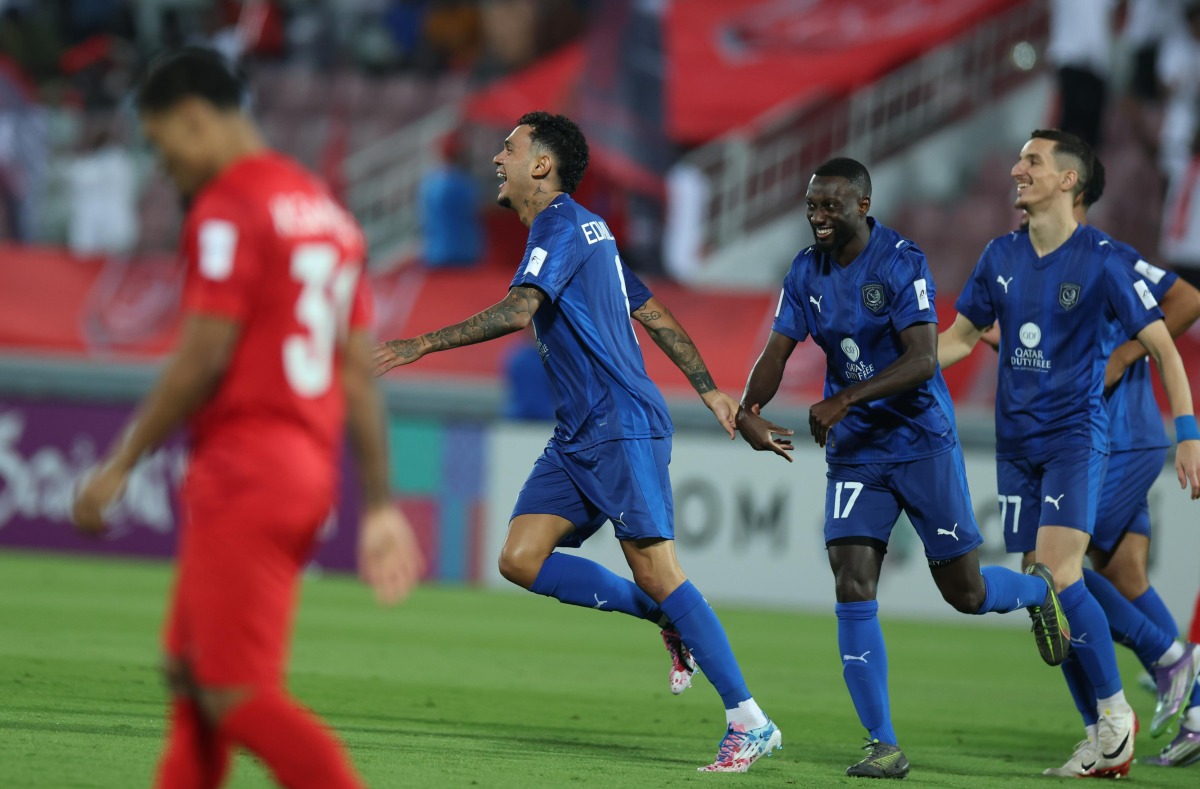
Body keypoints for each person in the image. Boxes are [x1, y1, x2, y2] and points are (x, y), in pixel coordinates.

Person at [373, 110, 781, 773]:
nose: (497, 159)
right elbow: (649, 309)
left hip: (619, 422)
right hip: (580, 433)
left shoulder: (561, 224)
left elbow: (518, 310)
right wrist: (707, 387)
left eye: (510, 148)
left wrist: (418, 343)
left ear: (542, 164)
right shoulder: (592, 232)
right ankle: (664, 615)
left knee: (660, 568)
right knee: (520, 556)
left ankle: (749, 719)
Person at [70, 48, 423, 789]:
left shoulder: (230, 206)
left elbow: (202, 353)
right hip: (303, 470)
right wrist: (381, 502)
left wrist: (120, 461)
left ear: (195, 119)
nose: (166, 171)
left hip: (246, 466)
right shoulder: (329, 215)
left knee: (235, 695)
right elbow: (357, 371)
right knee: (193, 679)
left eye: (164, 149)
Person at [734, 157, 1070, 780]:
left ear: (863, 205)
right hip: (857, 454)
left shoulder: (899, 261)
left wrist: (843, 398)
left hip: (921, 443)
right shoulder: (806, 270)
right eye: (812, 206)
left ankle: (1034, 589)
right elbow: (777, 348)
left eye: (831, 206)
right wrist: (749, 408)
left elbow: (922, 359)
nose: (819, 217)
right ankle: (882, 743)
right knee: (852, 580)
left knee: (965, 594)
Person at [938, 129, 1200, 778]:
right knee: (1101, 579)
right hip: (1031, 439)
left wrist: (1181, 423)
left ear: (1070, 183)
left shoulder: (1107, 258)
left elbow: (1183, 308)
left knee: (1060, 575)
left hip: (1112, 432)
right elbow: (967, 338)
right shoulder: (1004, 256)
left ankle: (1166, 666)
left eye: (1033, 160)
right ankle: (1140, 714)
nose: (1016, 167)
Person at [417, 130, 483, 268]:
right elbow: (474, 210)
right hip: (463, 252)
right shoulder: (462, 183)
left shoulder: (429, 183)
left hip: (435, 252)